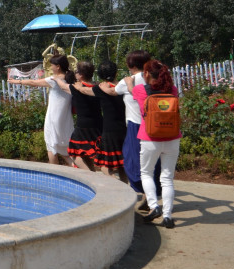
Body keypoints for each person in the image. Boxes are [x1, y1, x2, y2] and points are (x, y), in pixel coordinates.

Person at [125, 59, 182, 229]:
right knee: (167, 178)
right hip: (172, 138)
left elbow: (131, 91)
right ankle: (167, 216)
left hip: (150, 138)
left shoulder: (140, 90)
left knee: (146, 173)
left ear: (147, 74)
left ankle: (154, 206)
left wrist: (129, 82)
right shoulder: (173, 90)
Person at [105, 50, 161, 207]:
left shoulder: (130, 80)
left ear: (132, 65)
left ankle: (145, 193)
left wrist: (101, 87)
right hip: (155, 124)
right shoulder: (154, 78)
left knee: (133, 160)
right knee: (153, 160)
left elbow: (113, 91)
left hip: (136, 125)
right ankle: (151, 194)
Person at [9, 55, 75, 166]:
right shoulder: (70, 79)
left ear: (58, 66)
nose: (51, 67)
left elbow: (34, 82)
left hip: (53, 118)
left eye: (52, 65)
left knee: (51, 147)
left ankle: (55, 173)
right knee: (65, 151)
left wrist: (17, 81)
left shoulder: (54, 80)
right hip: (66, 119)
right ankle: (78, 169)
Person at [70, 60, 128, 182]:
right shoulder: (124, 87)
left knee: (105, 165)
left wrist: (79, 87)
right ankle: (126, 187)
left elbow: (85, 91)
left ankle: (117, 186)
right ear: (116, 73)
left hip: (109, 131)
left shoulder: (101, 89)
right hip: (124, 129)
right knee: (121, 164)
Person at [55, 61, 102, 171]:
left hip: (83, 126)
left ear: (81, 75)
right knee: (87, 153)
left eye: (76, 71)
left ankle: (90, 175)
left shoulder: (76, 88)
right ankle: (91, 172)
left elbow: (63, 87)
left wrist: (56, 79)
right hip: (98, 124)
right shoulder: (98, 87)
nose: (75, 73)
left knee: (74, 152)